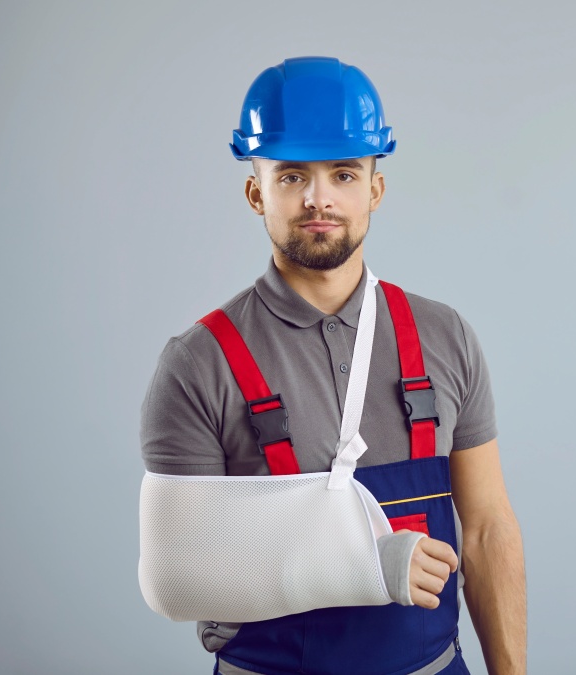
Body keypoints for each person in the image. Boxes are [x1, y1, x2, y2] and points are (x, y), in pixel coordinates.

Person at [139, 56, 526, 675]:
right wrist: (365, 566)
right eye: (291, 175)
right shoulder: (199, 363)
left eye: (343, 173)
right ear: (254, 190)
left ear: (375, 187)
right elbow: (179, 580)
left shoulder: (444, 337)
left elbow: (485, 530)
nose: (319, 198)